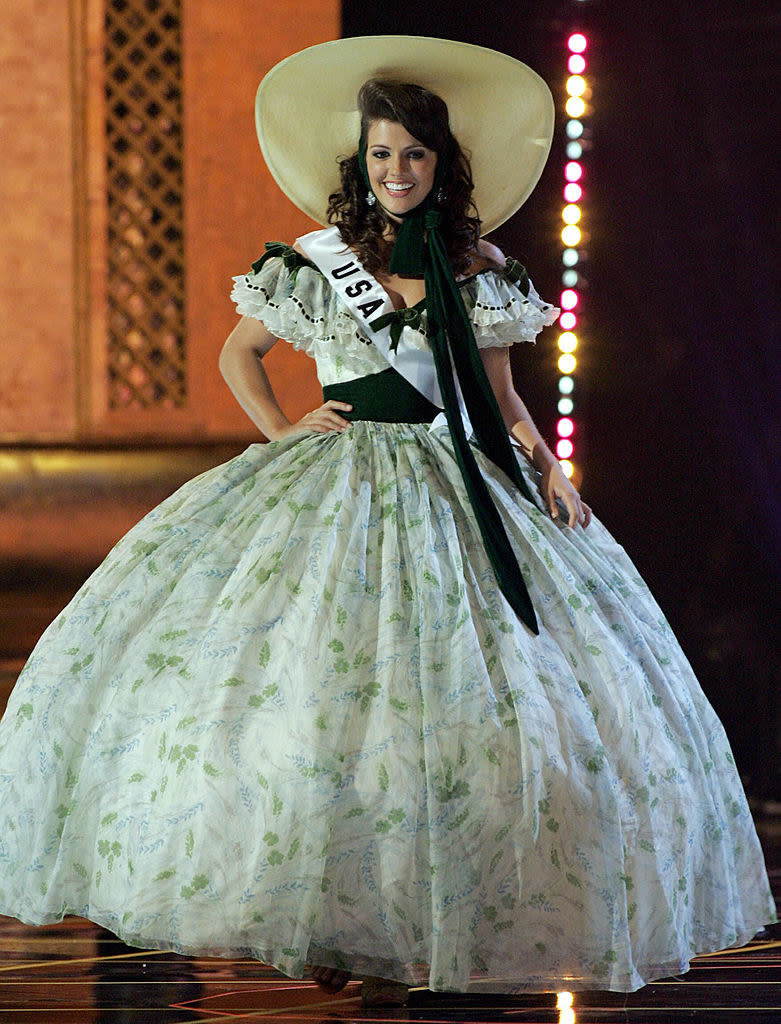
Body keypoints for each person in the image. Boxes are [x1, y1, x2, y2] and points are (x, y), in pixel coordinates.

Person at [0, 36, 774, 1006]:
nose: (395, 171)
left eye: (412, 154)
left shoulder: (476, 264)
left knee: (454, 718)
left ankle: (412, 924)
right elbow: (240, 354)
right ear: (358, 163)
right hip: (337, 480)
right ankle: (327, 908)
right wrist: (283, 430)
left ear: (438, 163)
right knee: (313, 703)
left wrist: (551, 470)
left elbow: (501, 397)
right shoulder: (320, 263)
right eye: (379, 156)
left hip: (451, 486)